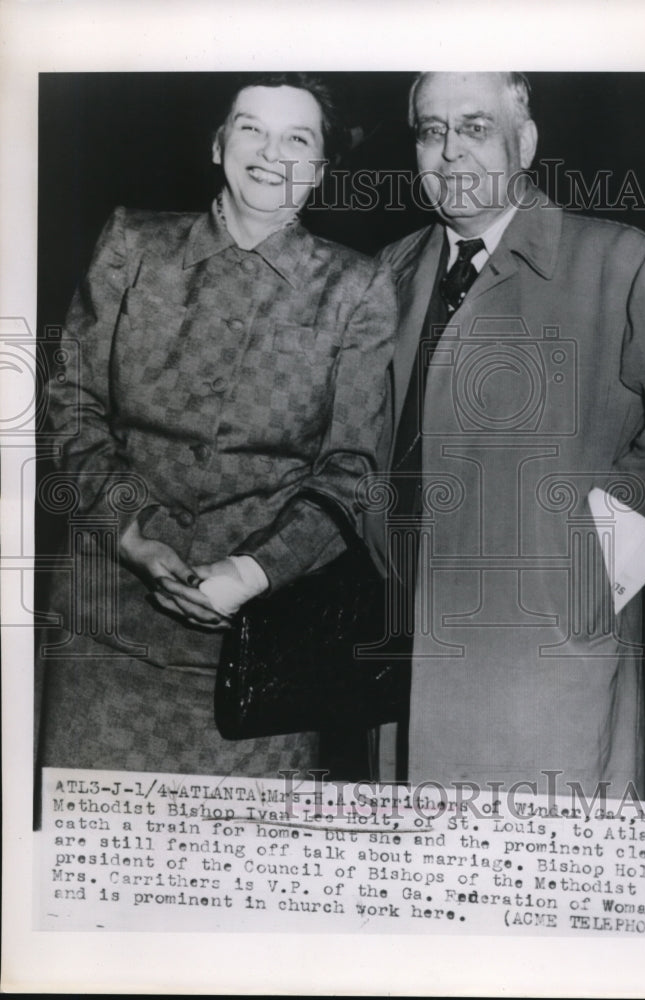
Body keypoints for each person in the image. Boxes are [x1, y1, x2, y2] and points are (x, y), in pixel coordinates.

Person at [365, 72, 645, 796]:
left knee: (533, 886)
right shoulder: (386, 275)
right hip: (403, 659)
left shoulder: (615, 262)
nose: (450, 151)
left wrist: (611, 541)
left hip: (541, 667)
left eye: (475, 127)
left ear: (526, 140)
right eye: (430, 129)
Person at [37, 74, 396, 778]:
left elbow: (351, 473)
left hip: (262, 648)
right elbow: (70, 403)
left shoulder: (357, 288)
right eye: (250, 127)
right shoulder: (130, 243)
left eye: (297, 137)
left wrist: (250, 571)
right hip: (107, 636)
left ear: (322, 167)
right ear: (216, 143)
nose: (270, 151)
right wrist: (132, 535)